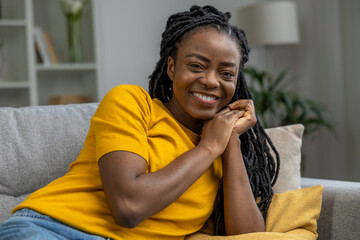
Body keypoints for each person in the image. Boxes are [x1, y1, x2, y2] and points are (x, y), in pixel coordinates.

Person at [0, 5, 279, 240]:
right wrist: (208, 147)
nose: (210, 80)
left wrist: (229, 142)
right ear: (172, 67)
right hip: (52, 229)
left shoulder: (223, 151)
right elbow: (128, 207)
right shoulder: (131, 102)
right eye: (196, 65)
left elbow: (248, 236)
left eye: (227, 73)